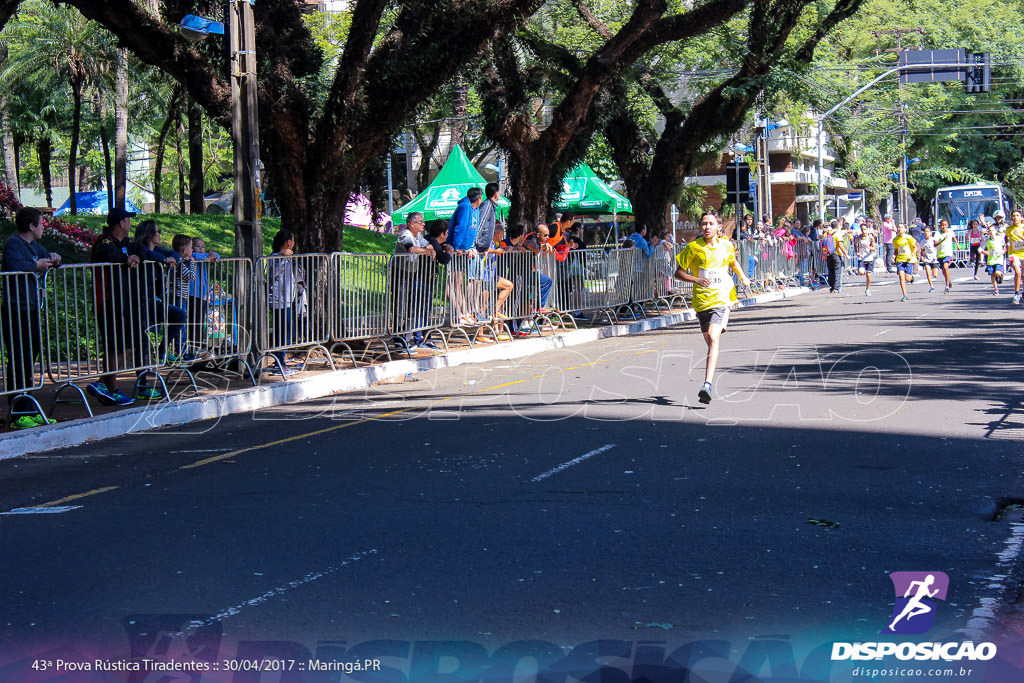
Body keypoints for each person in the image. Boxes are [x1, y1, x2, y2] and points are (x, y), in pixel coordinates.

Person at [673, 209, 749, 405]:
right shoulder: (693, 247)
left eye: (711, 224)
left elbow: (733, 262)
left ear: (719, 227)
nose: (706, 227)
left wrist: (743, 278)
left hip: (722, 300)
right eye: (704, 223)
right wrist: (696, 279)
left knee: (714, 337)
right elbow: (678, 273)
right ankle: (708, 379)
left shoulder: (726, 246)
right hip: (701, 302)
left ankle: (707, 384)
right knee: (710, 341)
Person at [2, 206, 61, 428]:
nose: (44, 227)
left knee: (31, 355)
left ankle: (28, 407)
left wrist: (56, 257)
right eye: (41, 223)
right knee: (19, 357)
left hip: (32, 307)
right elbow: (16, 265)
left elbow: (50, 257)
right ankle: (18, 413)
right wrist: (36, 265)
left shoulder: (35, 245)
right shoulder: (13, 244)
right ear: (31, 226)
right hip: (16, 308)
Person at [89, 207, 146, 406]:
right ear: (122, 223)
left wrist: (138, 256)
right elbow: (109, 255)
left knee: (128, 346)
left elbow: (142, 251)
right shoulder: (104, 241)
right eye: (128, 220)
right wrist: (126, 258)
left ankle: (102, 384)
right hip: (107, 301)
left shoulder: (127, 242)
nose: (130, 224)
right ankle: (110, 389)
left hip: (123, 301)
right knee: (114, 347)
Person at [390, 212, 436, 350]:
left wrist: (429, 249)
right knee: (401, 308)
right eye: (420, 222)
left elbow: (428, 245)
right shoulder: (405, 234)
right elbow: (411, 248)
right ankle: (399, 340)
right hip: (401, 275)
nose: (423, 224)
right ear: (412, 224)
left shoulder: (418, 235)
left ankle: (406, 339)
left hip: (411, 275)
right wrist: (426, 251)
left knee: (411, 307)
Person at [267, 229, 303, 375]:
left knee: (286, 332)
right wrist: (282, 258)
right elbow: (274, 272)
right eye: (293, 240)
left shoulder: (287, 258)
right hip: (278, 301)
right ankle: (279, 363)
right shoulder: (273, 258)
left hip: (287, 301)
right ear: (289, 242)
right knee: (284, 333)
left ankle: (280, 361)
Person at [448, 187, 483, 254]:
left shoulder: (476, 209)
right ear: (478, 199)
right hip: (458, 250)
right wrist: (456, 247)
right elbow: (461, 227)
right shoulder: (465, 206)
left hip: (469, 249)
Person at [892, 222, 918, 302]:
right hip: (900, 259)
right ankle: (904, 295)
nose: (899, 229)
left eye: (901, 227)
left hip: (908, 259)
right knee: (901, 276)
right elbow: (896, 250)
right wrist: (894, 256)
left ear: (905, 229)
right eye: (898, 227)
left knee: (907, 278)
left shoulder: (908, 237)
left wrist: (911, 255)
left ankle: (911, 277)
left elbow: (916, 248)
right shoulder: (895, 240)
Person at [980, 223, 1006, 296]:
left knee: (997, 272)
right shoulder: (987, 241)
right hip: (990, 260)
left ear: (995, 231)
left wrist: (1003, 252)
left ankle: (1001, 276)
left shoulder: (1000, 239)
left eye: (992, 230)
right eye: (990, 231)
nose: (991, 232)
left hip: (998, 259)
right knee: (992, 275)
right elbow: (980, 248)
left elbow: (1005, 248)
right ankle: (996, 289)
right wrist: (984, 252)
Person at [933, 219, 958, 294]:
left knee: (945, 267)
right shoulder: (938, 233)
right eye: (942, 225)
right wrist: (943, 240)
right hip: (940, 254)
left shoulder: (950, 232)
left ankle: (947, 287)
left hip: (948, 253)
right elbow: (935, 244)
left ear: (947, 225)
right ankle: (948, 280)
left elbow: (954, 237)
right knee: (944, 271)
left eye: (945, 225)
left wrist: (957, 244)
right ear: (940, 226)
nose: (943, 226)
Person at [1005, 210, 1024, 304]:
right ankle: (1016, 294)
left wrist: (1020, 235)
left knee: (1023, 275)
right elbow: (1003, 237)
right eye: (1013, 216)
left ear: (1021, 218)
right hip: (1014, 254)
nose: (1015, 217)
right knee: (1018, 272)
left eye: (1017, 215)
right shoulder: (1009, 229)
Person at [854, 222, 877, 296]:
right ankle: (862, 270)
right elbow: (855, 244)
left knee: (868, 275)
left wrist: (869, 247)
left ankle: (867, 288)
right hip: (862, 258)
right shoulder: (859, 238)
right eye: (862, 229)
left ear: (867, 229)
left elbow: (874, 249)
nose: (863, 231)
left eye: (865, 229)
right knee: (861, 272)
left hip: (869, 258)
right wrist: (856, 252)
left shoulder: (870, 238)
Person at [918, 226, 939, 293]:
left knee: (935, 275)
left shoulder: (933, 240)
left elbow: (938, 248)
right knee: (927, 271)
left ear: (931, 233)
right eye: (925, 231)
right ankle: (931, 286)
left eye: (927, 231)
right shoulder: (922, 242)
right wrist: (922, 256)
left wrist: (936, 256)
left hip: (934, 259)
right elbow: (922, 250)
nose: (926, 233)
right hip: (927, 259)